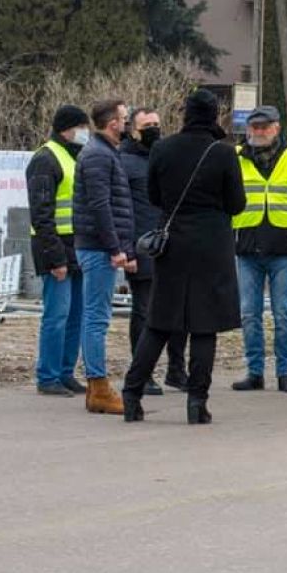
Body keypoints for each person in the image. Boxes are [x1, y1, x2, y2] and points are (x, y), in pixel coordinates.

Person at [123, 90, 246, 424]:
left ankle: (132, 394)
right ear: (214, 116)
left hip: (172, 242)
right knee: (205, 327)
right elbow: (237, 203)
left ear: (185, 114)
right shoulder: (222, 153)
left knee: (160, 321)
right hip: (211, 245)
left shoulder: (162, 148)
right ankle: (196, 402)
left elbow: (154, 195)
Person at [230, 105, 287, 394]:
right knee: (249, 314)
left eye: (264, 126)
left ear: (277, 127)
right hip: (247, 247)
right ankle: (254, 372)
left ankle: (284, 372)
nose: (258, 131)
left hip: (282, 249)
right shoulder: (236, 158)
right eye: (254, 126)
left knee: (283, 314)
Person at [73, 98, 134, 416]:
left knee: (95, 316)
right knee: (97, 318)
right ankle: (98, 386)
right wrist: (115, 248)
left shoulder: (105, 152)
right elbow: (100, 205)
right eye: (124, 118)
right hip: (98, 248)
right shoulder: (98, 155)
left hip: (98, 246)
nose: (127, 123)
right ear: (113, 123)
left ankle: (96, 387)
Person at [120, 106, 187, 396]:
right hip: (142, 247)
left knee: (180, 312)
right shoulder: (123, 161)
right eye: (147, 124)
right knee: (145, 313)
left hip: (172, 246)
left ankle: (176, 369)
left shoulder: (168, 157)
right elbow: (122, 211)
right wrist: (127, 250)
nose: (154, 129)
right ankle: (142, 372)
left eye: (157, 123)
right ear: (133, 129)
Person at [26, 105, 90, 397]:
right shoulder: (45, 159)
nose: (85, 132)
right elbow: (41, 215)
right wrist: (55, 258)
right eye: (82, 127)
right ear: (68, 128)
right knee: (57, 315)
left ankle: (65, 373)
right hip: (55, 248)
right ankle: (48, 376)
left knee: (75, 314)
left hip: (75, 245)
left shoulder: (71, 156)